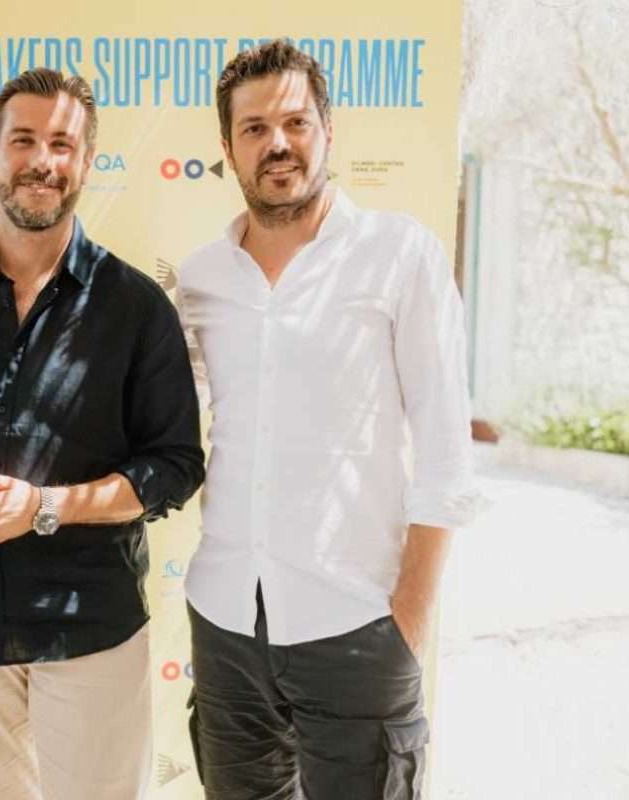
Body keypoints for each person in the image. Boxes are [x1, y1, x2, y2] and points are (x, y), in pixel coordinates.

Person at [0, 67, 205, 800]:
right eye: (23, 140)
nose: (42, 160)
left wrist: (43, 507)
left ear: (87, 163)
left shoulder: (136, 307)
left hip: (87, 624)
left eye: (63, 144)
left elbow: (174, 464)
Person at [177, 41, 478, 800]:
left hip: (357, 627)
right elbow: (166, 425)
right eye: (254, 128)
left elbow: (446, 454)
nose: (277, 143)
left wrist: (407, 624)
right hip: (225, 622)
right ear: (228, 150)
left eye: (295, 122)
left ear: (328, 131)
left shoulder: (399, 254)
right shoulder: (202, 279)